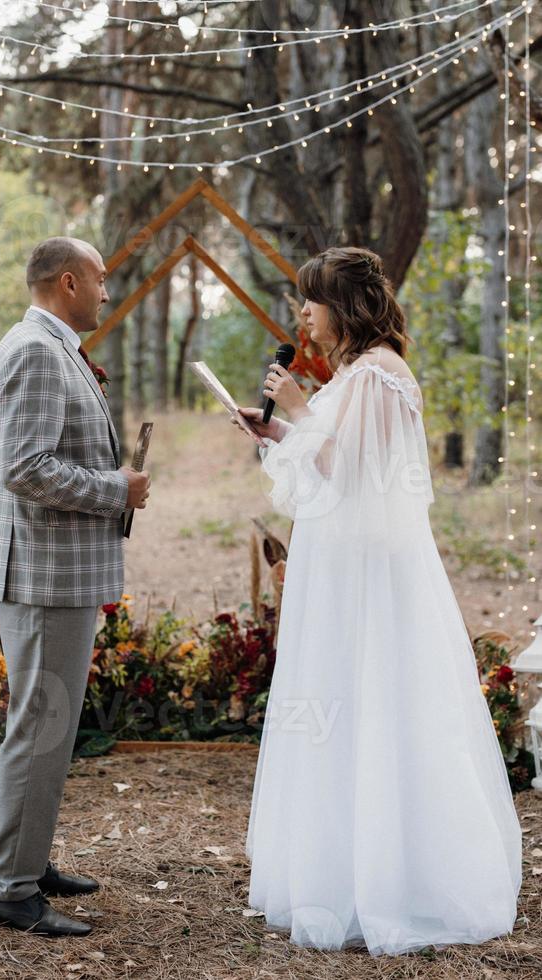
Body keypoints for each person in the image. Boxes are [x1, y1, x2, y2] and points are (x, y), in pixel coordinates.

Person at [232, 246, 522, 956]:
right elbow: (332, 464)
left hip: (369, 576)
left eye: (313, 299)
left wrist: (302, 410)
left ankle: (396, 879)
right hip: (338, 566)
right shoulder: (353, 375)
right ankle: (339, 867)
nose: (303, 312)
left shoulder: (382, 373)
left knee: (376, 703)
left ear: (345, 306)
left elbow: (363, 480)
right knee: (337, 705)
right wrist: (280, 429)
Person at [0, 237, 151, 937]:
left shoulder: (52, 348)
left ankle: (25, 858)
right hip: (45, 576)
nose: (108, 292)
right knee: (40, 729)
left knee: (49, 729)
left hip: (59, 573)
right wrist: (118, 488)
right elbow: (27, 468)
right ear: (69, 282)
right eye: (102, 280)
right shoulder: (34, 352)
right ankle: (8, 890)